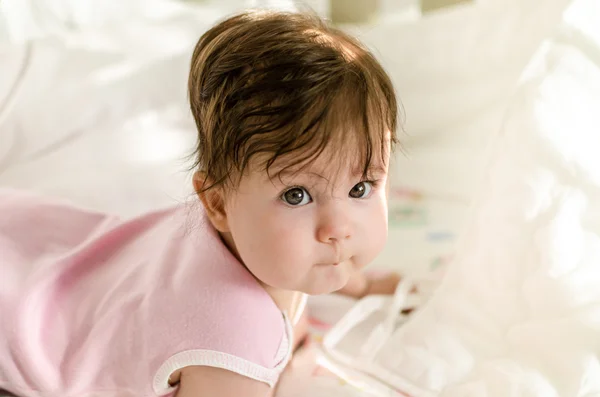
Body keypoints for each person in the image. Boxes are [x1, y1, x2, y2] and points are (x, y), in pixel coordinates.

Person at [0, 9, 400, 397]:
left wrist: (362, 287)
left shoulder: (268, 237)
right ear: (217, 204)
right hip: (22, 329)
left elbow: (335, 256)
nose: (338, 230)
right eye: (296, 196)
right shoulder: (234, 343)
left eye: (361, 188)